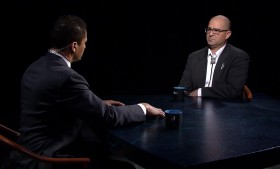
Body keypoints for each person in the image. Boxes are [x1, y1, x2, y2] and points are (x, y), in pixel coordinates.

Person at [9, 15, 165, 169]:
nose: (86, 47)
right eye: (85, 43)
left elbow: (51, 106)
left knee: (99, 150)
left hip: (25, 153)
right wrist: (143, 108)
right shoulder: (68, 78)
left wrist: (94, 103)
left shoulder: (35, 67)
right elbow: (108, 116)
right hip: (48, 159)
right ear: (74, 46)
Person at [179, 15, 250, 99]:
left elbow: (233, 89)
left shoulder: (238, 57)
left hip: (225, 108)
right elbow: (184, 88)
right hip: (195, 107)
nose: (211, 34)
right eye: (209, 29)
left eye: (216, 30)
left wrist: (200, 92)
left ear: (227, 34)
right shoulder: (194, 57)